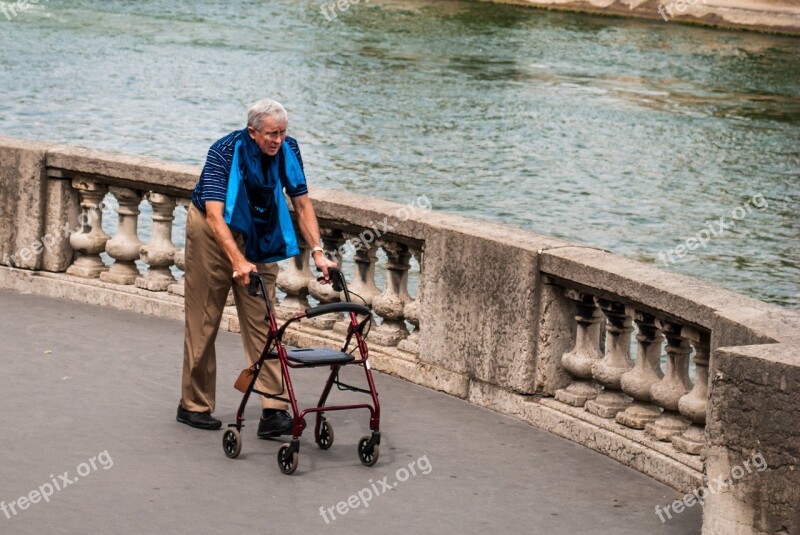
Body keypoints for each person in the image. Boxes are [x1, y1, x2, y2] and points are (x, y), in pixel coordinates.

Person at [177, 98, 336, 437]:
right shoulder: (223, 152)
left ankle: (273, 410)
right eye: (270, 134)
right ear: (252, 132)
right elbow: (215, 215)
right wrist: (237, 260)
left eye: (282, 132)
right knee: (205, 318)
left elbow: (302, 202)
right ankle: (194, 404)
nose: (277, 140)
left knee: (264, 321)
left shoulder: (288, 150)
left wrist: (319, 252)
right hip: (212, 232)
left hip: (259, 232)